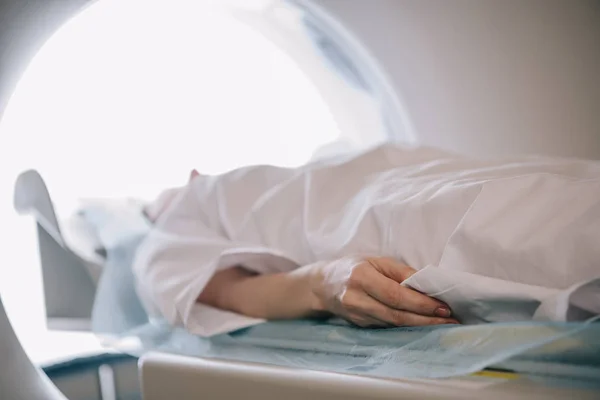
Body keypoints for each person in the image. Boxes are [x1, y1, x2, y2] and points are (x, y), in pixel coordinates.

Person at [133, 144, 600, 337]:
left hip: (390, 172)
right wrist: (325, 281)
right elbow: (231, 293)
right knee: (530, 221)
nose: (194, 174)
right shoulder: (157, 242)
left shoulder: (262, 180)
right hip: (376, 217)